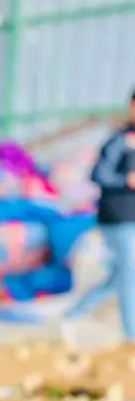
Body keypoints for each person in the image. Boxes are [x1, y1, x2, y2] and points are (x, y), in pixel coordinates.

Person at [62, 89, 135, 338]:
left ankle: (72, 315)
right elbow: (98, 175)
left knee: (123, 275)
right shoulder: (119, 142)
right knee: (129, 275)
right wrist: (126, 180)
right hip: (117, 218)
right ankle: (131, 335)